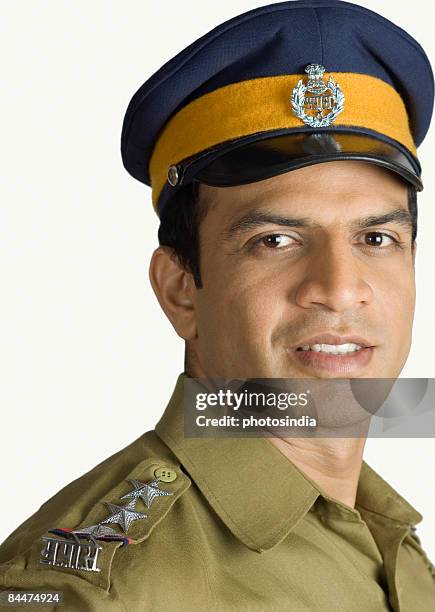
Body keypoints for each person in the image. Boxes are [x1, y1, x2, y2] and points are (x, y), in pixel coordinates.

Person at [1, 1, 434, 610]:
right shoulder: (100, 591)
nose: (339, 287)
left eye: (376, 238)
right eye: (275, 241)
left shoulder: (386, 536)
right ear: (181, 290)